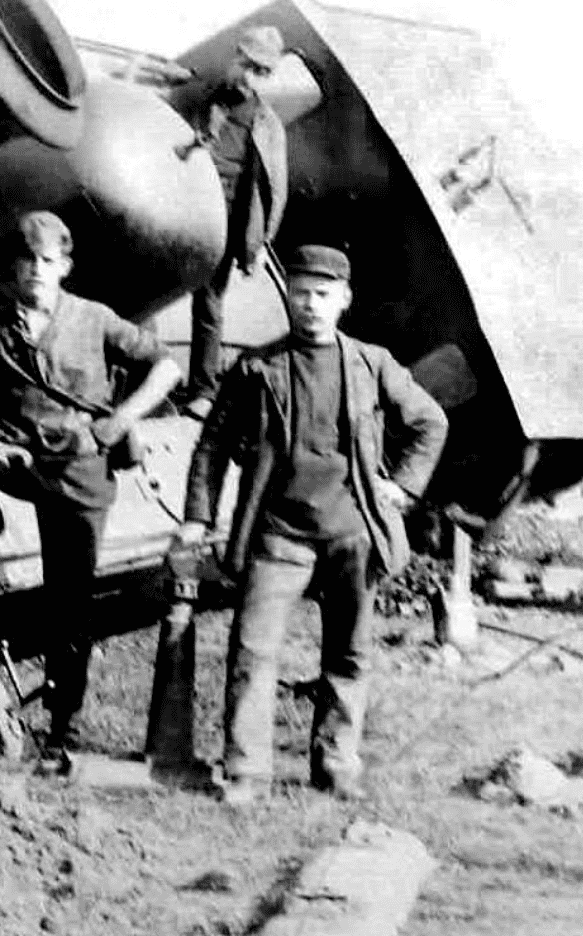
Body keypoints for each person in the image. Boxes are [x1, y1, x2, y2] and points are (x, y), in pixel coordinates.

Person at [175, 245, 447, 805]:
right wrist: (198, 517)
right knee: (253, 648)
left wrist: (404, 486)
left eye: (322, 295)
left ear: (344, 300)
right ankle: (247, 771)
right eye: (299, 293)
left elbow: (429, 421)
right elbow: (212, 446)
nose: (310, 305)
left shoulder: (371, 365)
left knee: (349, 654)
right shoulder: (257, 366)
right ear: (288, 298)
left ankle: (336, 763)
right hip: (278, 533)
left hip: (353, 532)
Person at [0, 210, 181, 762]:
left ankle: (64, 724)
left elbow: (166, 369)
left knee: (71, 605)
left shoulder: (95, 319)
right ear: (12, 269)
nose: (36, 270)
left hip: (80, 474)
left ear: (64, 267)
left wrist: (119, 421)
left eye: (47, 261)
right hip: (20, 458)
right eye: (26, 260)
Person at [180, 25, 291, 419]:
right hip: (185, 203)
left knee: (208, 302)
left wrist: (261, 244)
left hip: (226, 220)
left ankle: (203, 393)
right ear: (236, 59)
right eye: (247, 65)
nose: (249, 76)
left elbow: (275, 190)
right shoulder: (208, 97)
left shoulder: (267, 122)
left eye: (260, 72)